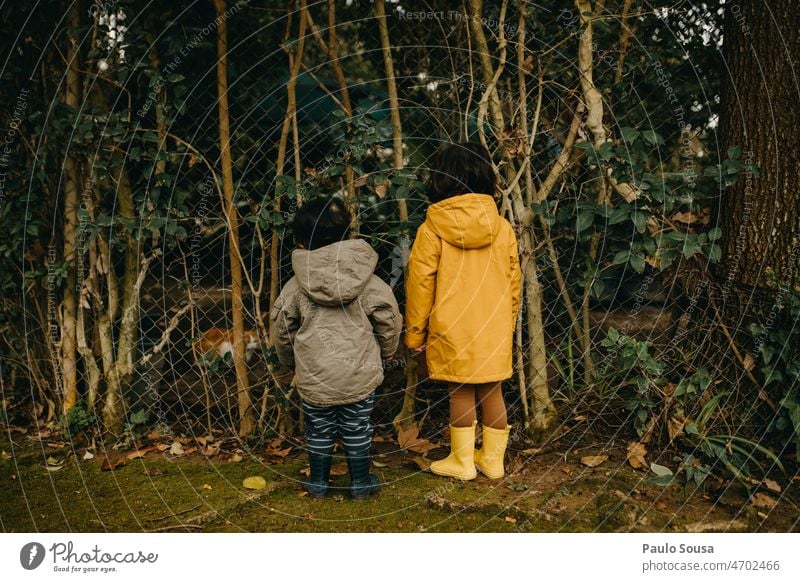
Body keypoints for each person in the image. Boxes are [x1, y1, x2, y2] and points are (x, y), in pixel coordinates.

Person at [271, 197, 402, 499]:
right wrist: (385, 353)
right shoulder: (370, 284)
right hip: (359, 375)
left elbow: (282, 330)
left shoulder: (294, 287)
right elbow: (389, 320)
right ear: (347, 235)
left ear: (300, 242)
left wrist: (291, 362)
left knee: (318, 431)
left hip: (315, 377)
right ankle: (360, 482)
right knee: (357, 428)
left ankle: (318, 483)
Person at [404, 142, 521, 480]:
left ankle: (462, 461)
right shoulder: (502, 228)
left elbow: (420, 286)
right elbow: (514, 282)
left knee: (461, 391)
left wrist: (415, 335)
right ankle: (493, 461)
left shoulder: (431, 230)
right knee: (492, 390)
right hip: (494, 328)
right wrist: (507, 324)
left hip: (452, 330)